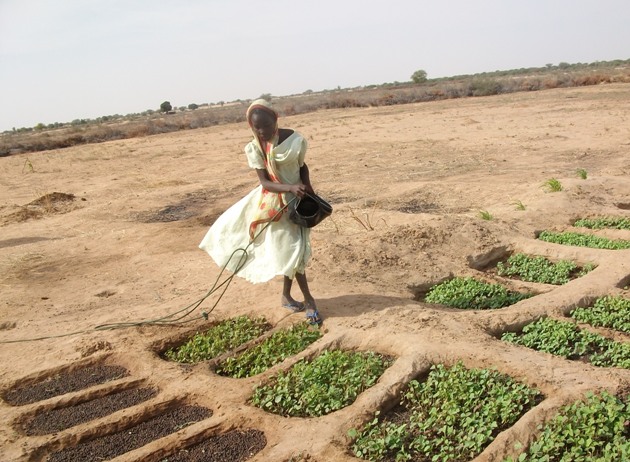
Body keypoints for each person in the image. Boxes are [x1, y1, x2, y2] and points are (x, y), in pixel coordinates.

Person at [199, 99, 322, 325]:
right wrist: (290, 188)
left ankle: (286, 295)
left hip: (299, 203)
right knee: (293, 251)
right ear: (251, 126)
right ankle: (310, 301)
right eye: (257, 127)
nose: (262, 131)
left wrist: (306, 185)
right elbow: (265, 182)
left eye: (266, 125)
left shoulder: (295, 140)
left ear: (276, 120)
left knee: (292, 251)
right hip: (275, 204)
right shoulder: (255, 147)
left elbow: (302, 165)